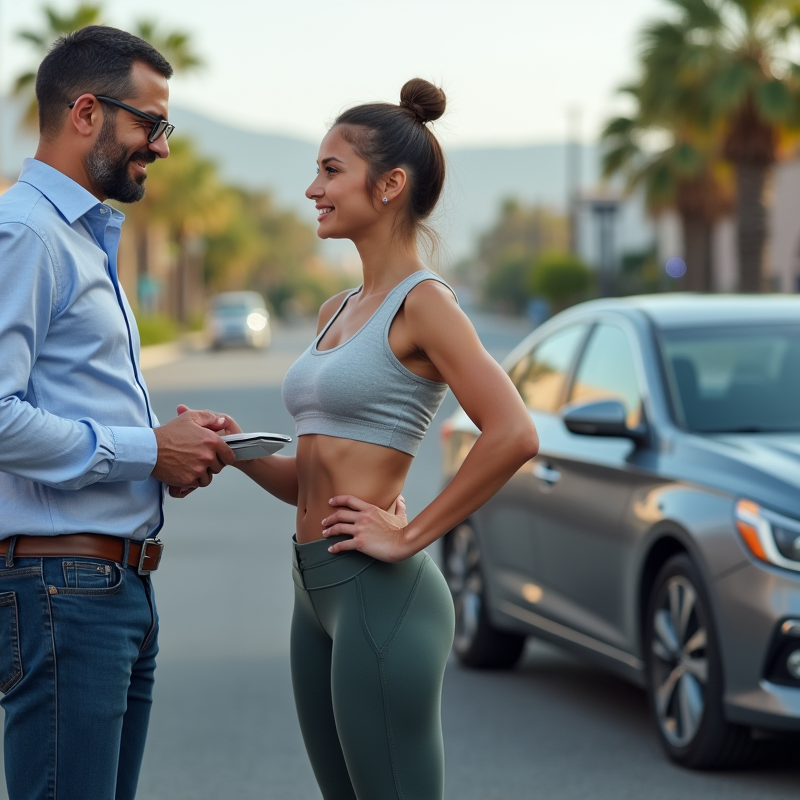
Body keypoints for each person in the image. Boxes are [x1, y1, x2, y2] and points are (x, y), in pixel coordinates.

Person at [0, 26, 236, 800]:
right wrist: (146, 451)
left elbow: (62, 396)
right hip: (61, 589)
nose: (161, 147)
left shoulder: (74, 239)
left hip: (103, 586)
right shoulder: (23, 237)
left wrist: (173, 445)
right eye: (150, 123)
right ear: (84, 113)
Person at [225, 79, 539, 800]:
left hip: (378, 593)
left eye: (331, 171)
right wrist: (238, 453)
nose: (312, 189)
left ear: (390, 185)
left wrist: (412, 534)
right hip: (314, 586)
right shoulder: (337, 309)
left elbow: (515, 432)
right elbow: (315, 478)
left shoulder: (425, 304)